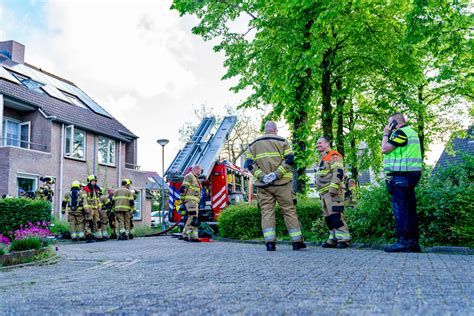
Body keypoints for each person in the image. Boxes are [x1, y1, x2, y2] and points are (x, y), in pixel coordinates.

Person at [244, 121, 306, 251]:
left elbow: (249, 164)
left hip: (263, 186)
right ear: (275, 129)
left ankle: (270, 243)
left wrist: (262, 176)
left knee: (267, 212)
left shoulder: (253, 144)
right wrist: (276, 174)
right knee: (289, 211)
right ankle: (296, 242)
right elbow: (289, 160)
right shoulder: (283, 141)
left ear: (265, 130)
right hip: (282, 184)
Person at [382, 112, 423, 253]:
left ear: (394, 123)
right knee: (410, 208)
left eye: (389, 123)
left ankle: (403, 241)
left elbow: (385, 149)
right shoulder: (411, 132)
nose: (388, 126)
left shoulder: (400, 133)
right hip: (411, 175)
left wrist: (385, 134)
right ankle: (413, 242)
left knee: (400, 208)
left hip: (401, 176)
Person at [314, 136, 351, 248]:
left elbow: (338, 173)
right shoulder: (322, 158)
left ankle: (344, 239)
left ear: (327, 144)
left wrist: (333, 190)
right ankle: (333, 238)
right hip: (324, 193)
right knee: (328, 218)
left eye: (320, 143)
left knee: (336, 216)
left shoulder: (334, 156)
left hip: (333, 193)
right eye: (317, 143)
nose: (318, 145)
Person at [180, 165, 203, 242]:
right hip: (190, 201)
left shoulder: (195, 178)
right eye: (200, 170)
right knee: (193, 217)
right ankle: (185, 234)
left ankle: (194, 237)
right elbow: (183, 188)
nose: (201, 172)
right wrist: (182, 200)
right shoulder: (189, 176)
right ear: (196, 169)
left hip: (195, 202)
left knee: (195, 218)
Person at [82, 174, 102, 243]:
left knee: (97, 222)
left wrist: (100, 206)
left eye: (95, 181)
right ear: (89, 181)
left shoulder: (96, 189)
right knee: (89, 222)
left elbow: (98, 198)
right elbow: (84, 199)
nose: (94, 182)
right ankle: (88, 236)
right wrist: (86, 207)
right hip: (89, 209)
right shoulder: (86, 189)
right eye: (93, 181)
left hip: (96, 209)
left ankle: (98, 236)